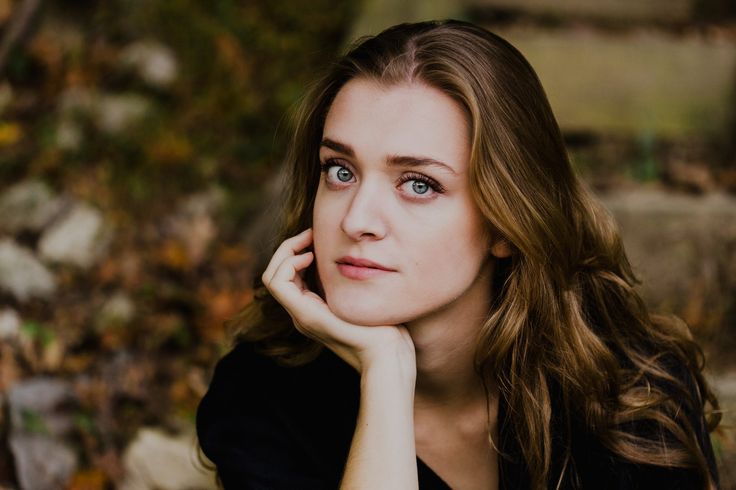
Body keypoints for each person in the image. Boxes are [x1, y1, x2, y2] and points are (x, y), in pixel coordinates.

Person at [196, 19, 721, 489]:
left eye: (418, 184)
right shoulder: (264, 397)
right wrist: (386, 372)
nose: (356, 220)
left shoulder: (629, 397)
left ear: (506, 224)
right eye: (340, 170)